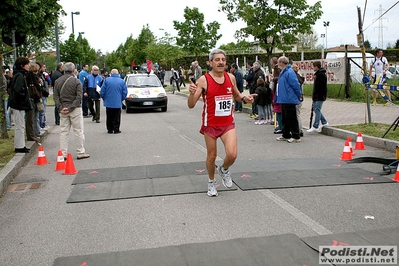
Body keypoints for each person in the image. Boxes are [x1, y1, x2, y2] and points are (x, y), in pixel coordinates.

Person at [187, 49, 255, 197]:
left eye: (223, 60)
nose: (221, 62)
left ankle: (224, 169)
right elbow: (191, 105)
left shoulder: (230, 77)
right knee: (212, 156)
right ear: (210, 62)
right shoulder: (204, 80)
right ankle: (211, 182)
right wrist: (192, 93)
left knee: (232, 155)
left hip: (227, 123)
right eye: (217, 60)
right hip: (210, 124)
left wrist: (245, 99)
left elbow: (237, 95)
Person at [53, 62, 90, 160]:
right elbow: (79, 97)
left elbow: (56, 96)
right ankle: (80, 151)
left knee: (63, 132)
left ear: (64, 70)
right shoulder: (76, 82)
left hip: (63, 109)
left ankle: (63, 153)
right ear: (73, 70)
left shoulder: (57, 81)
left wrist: (60, 107)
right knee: (78, 131)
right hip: (75, 109)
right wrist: (71, 107)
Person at [275, 56, 302, 143]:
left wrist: (299, 95)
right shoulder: (283, 72)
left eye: (279, 62)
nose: (278, 64)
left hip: (289, 98)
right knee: (285, 118)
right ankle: (286, 134)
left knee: (291, 118)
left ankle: (296, 135)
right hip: (284, 98)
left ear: (282, 63)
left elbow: (295, 85)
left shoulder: (289, 72)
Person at [8, 57, 31, 153]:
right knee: (19, 126)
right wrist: (24, 100)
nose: (29, 66)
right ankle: (19, 146)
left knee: (20, 125)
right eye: (27, 64)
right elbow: (18, 90)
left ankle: (21, 145)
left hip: (18, 104)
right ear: (22, 65)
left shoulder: (19, 75)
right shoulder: (20, 76)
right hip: (18, 105)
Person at [100, 69, 127, 134]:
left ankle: (110, 129)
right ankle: (116, 129)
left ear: (111, 73)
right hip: (117, 101)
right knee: (117, 116)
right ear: (118, 74)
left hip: (109, 102)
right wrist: (121, 99)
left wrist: (104, 98)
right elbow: (124, 92)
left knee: (109, 116)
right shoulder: (122, 81)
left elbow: (102, 91)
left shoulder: (106, 80)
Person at [307, 61, 329, 133]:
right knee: (316, 109)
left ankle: (316, 125)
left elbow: (319, 87)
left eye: (313, 66)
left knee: (317, 109)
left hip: (319, 95)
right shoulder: (319, 74)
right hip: (318, 95)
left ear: (316, 66)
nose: (313, 68)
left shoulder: (320, 75)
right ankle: (324, 122)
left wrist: (316, 94)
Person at [25, 63, 42, 142]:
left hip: (32, 97)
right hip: (34, 98)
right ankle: (35, 132)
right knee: (34, 116)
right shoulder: (34, 77)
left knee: (34, 117)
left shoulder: (27, 76)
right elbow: (38, 87)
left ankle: (35, 132)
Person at [292, 63, 305, 136]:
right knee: (298, 114)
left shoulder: (294, 78)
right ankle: (300, 129)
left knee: (296, 115)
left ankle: (298, 129)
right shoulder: (300, 77)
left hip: (295, 97)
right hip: (300, 97)